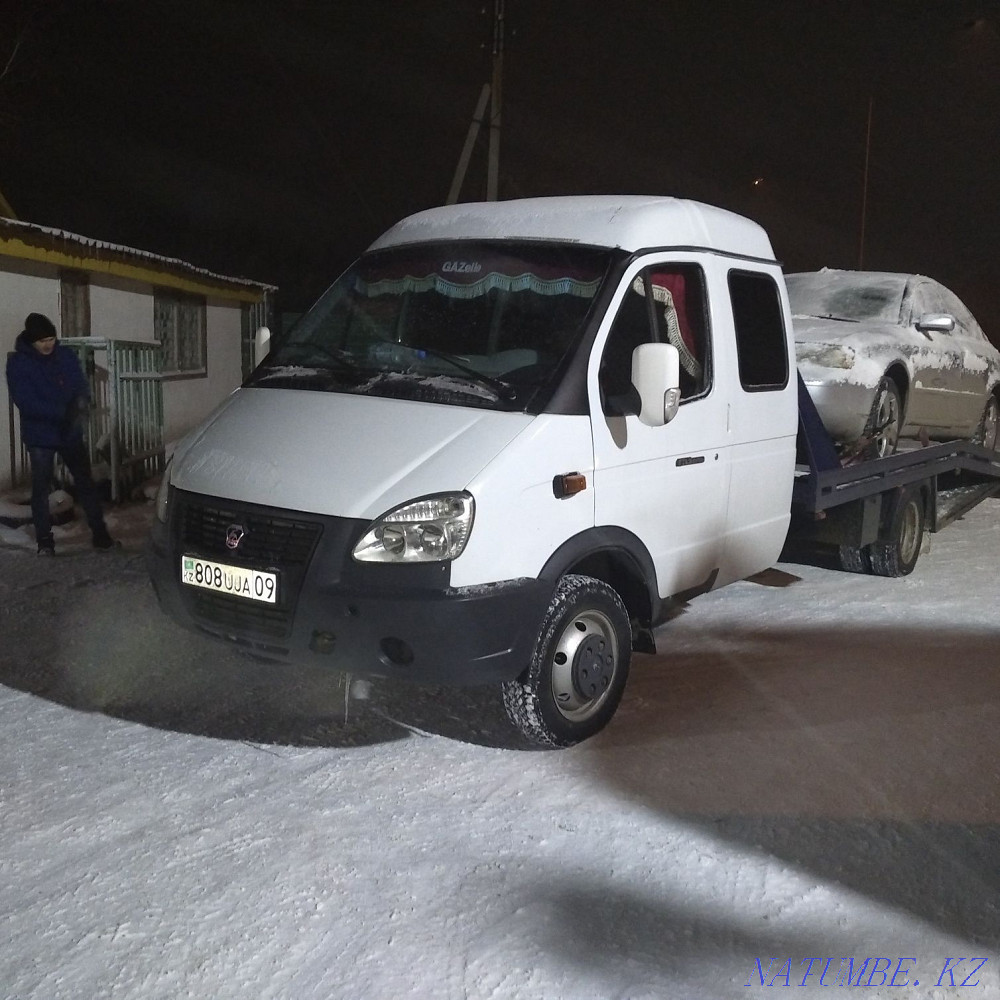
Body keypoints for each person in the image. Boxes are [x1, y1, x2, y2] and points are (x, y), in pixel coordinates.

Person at [5, 312, 117, 555]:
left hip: (69, 432)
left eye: (51, 339)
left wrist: (82, 402)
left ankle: (101, 535)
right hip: (40, 435)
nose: (48, 345)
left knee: (85, 483)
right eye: (42, 341)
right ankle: (45, 542)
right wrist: (62, 412)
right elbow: (25, 401)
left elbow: (79, 384)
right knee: (41, 488)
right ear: (31, 340)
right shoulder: (19, 363)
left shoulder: (64, 355)